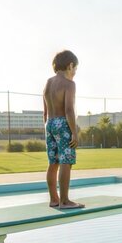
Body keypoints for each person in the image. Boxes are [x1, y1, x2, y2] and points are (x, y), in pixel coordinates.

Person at [43, 50, 84, 209]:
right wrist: (74, 132)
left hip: (50, 123)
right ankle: (65, 201)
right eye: (75, 69)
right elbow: (69, 110)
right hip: (62, 123)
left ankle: (54, 199)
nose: (75, 73)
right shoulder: (69, 84)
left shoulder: (48, 83)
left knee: (53, 162)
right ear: (70, 65)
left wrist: (49, 129)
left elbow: (45, 112)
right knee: (65, 161)